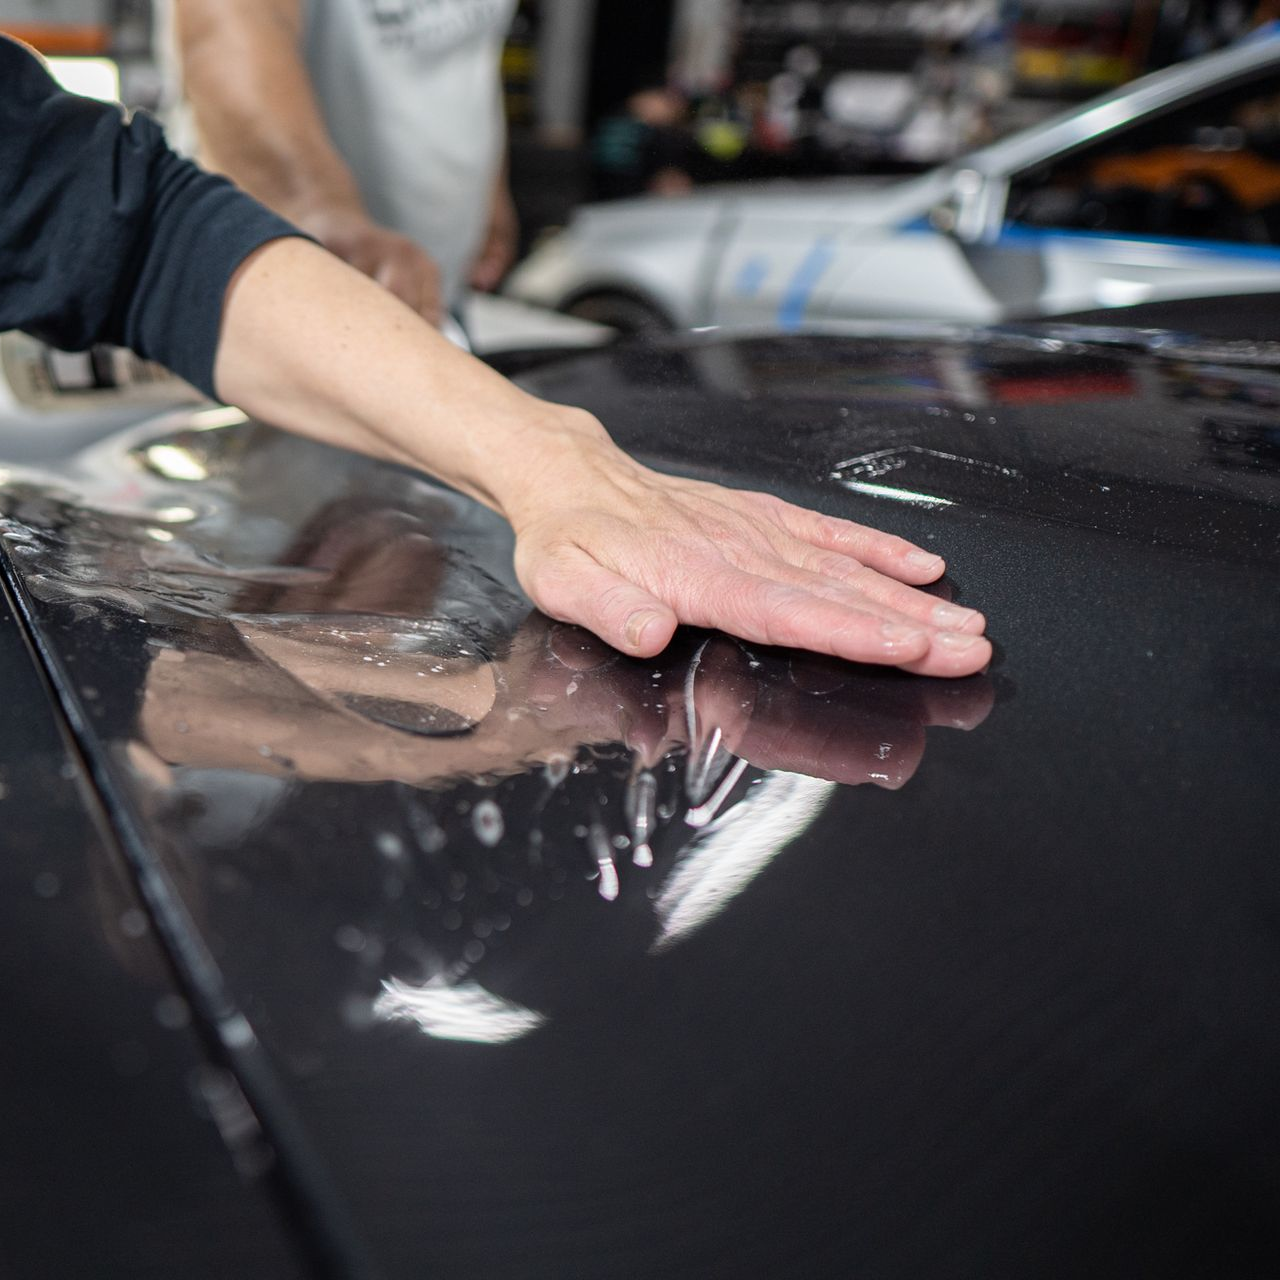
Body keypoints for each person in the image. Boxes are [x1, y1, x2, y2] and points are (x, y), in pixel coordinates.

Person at [0, 36, 991, 678]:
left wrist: (553, 462)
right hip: (324, 339)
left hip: (399, 351)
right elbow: (228, 58)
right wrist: (324, 215)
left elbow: (115, 220)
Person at [167, 0, 520, 327]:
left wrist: (487, 183)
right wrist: (317, 211)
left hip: (431, 296)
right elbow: (224, 42)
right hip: (281, 302)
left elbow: (463, 41)